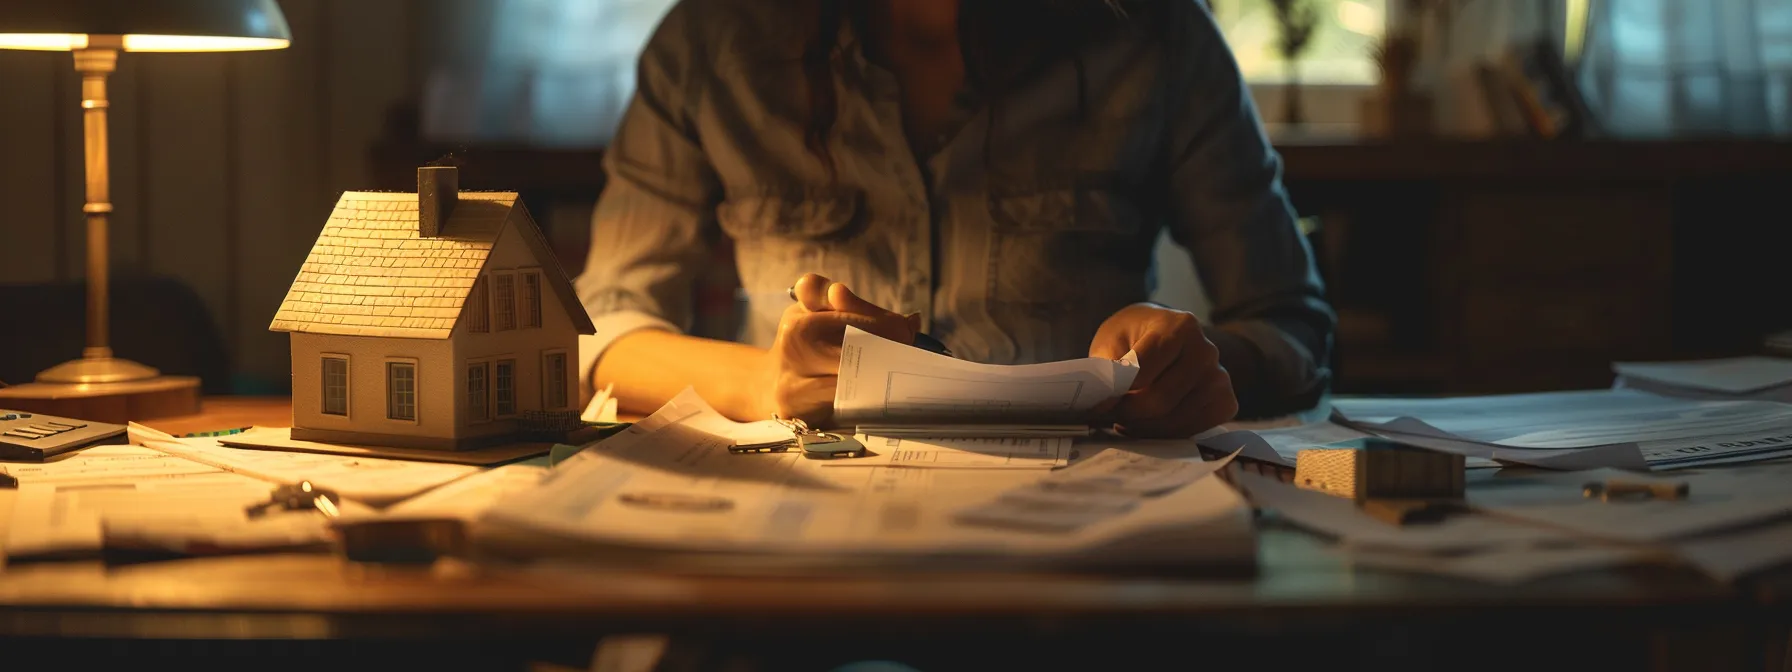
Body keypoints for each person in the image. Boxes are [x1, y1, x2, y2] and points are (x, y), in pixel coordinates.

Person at [575, 0, 1335, 439]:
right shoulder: (712, 42)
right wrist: (763, 381)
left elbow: (1291, 322)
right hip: (800, 537)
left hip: (1075, 553)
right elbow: (602, 332)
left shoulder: (1155, 35)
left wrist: (1197, 366)